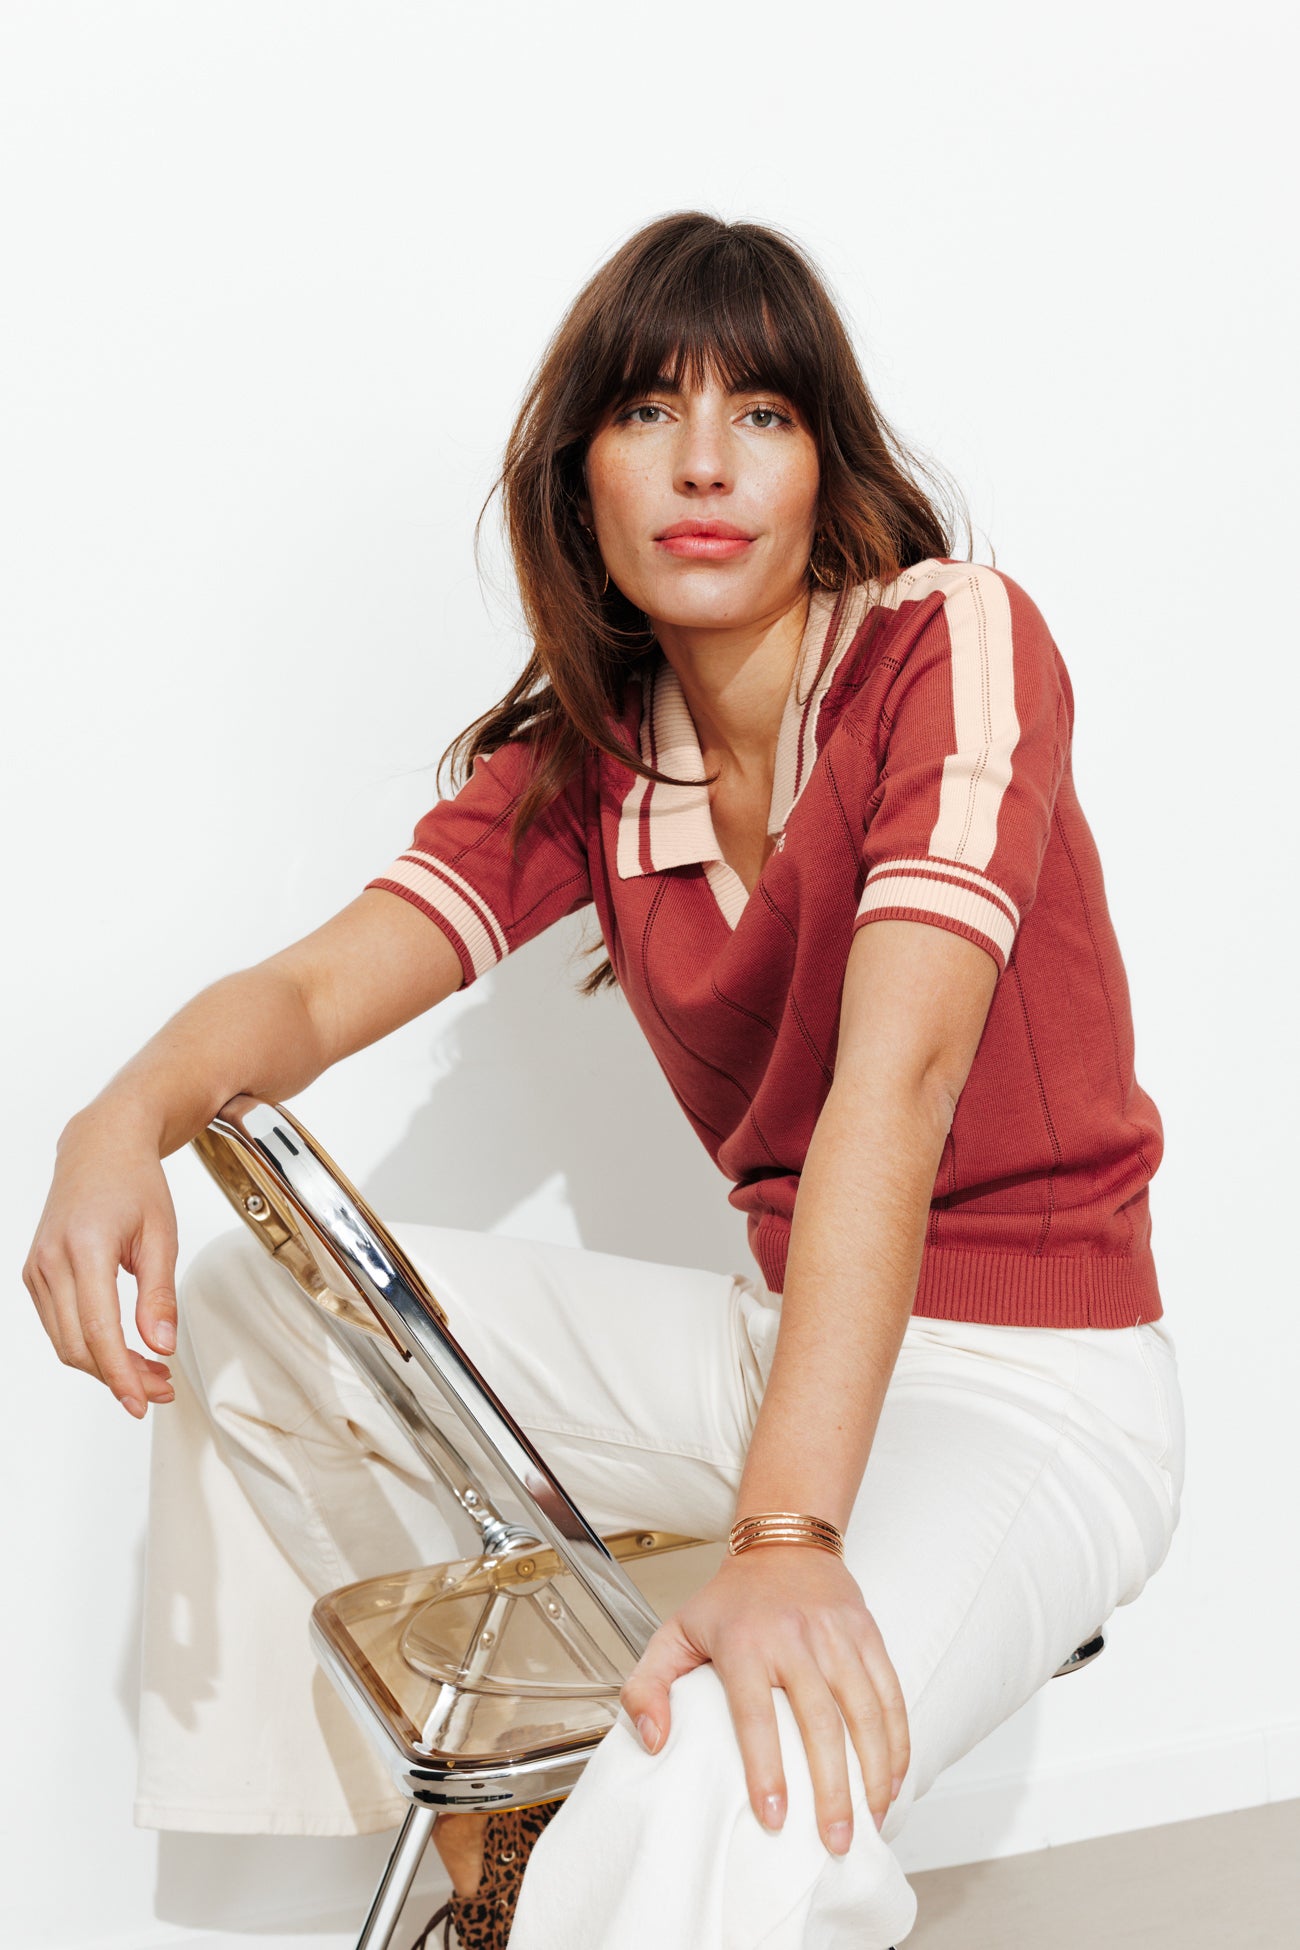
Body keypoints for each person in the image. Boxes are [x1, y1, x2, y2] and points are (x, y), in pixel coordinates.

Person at [23, 211, 1186, 1950]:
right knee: (256, 1310)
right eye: (648, 411)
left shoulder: (951, 646)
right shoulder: (596, 758)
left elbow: (900, 1079)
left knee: (736, 1770)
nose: (704, 463)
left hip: (1035, 1387)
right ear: (580, 479)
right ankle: (499, 1835)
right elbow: (317, 988)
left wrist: (785, 1538)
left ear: (826, 464)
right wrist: (117, 1117)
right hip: (788, 1343)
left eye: (763, 414)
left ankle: (634, 1836)